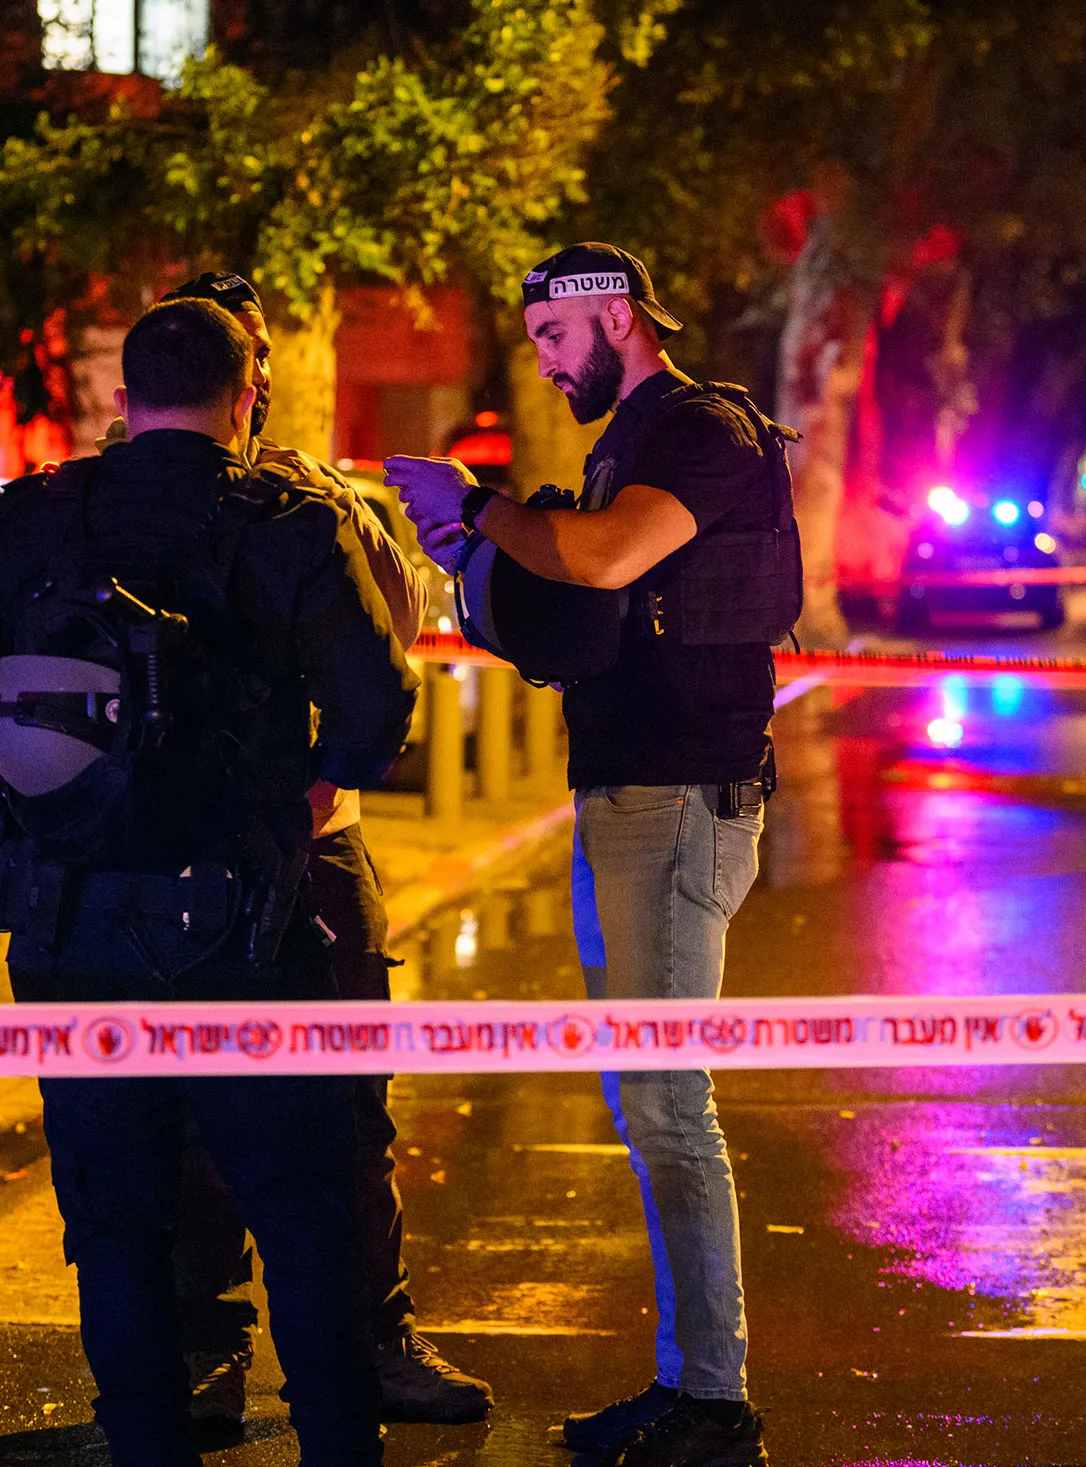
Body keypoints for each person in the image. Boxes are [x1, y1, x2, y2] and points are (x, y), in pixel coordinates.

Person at [0, 297, 415, 1467]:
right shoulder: (289, 519)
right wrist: (305, 801)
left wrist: (41, 799)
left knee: (119, 1223)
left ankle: (146, 1446)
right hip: (247, 924)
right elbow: (381, 708)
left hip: (70, 927)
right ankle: (338, 1447)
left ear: (123, 402)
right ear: (246, 401)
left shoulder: (38, 517)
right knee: (300, 1209)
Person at [385, 242, 789, 1467]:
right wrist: (469, 555)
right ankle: (693, 1387)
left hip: (676, 800)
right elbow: (577, 607)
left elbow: (606, 557)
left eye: (555, 342)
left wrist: (475, 505)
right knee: (649, 1098)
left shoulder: (699, 432)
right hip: (633, 794)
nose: (548, 368)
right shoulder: (630, 443)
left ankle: (711, 1403)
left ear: (611, 318)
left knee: (668, 1104)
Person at [141, 272, 491, 1432]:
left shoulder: (282, 503)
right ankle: (248, 1352)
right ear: (248, 382)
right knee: (241, 1114)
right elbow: (389, 666)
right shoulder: (116, 503)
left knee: (329, 1109)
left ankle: (324, 1345)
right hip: (280, 846)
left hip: (256, 854)